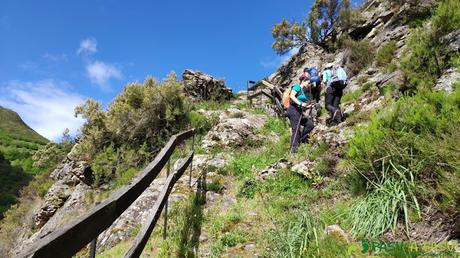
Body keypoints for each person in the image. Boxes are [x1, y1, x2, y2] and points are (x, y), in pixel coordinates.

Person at [286, 74, 315, 153]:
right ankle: (293, 149)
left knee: (310, 125)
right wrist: (301, 104)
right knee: (296, 129)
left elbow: (302, 105)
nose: (309, 85)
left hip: (299, 112)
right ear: (303, 81)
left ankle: (301, 139)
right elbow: (292, 96)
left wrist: (308, 106)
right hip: (293, 110)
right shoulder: (297, 87)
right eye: (308, 83)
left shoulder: (303, 91)